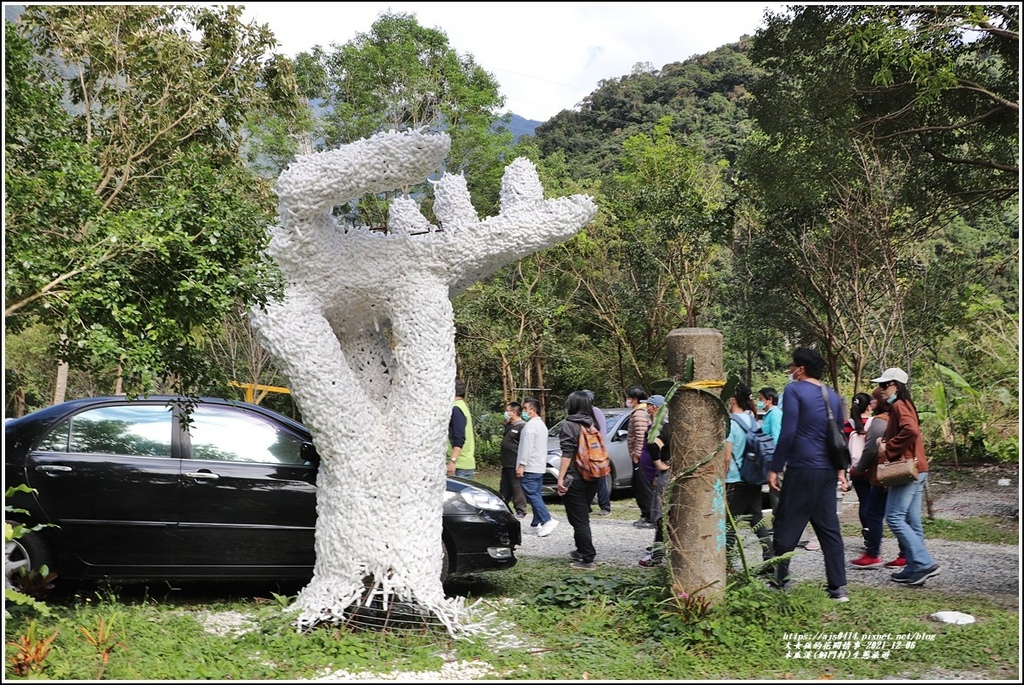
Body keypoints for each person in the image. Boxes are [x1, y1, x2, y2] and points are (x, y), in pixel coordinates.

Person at [768, 347, 850, 602]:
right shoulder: (832, 395)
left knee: (786, 521)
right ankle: (838, 588)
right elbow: (839, 435)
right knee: (828, 528)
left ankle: (779, 580)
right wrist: (840, 470)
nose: (790, 369)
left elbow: (789, 431)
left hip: (802, 467)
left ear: (801, 369)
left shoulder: (793, 390)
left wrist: (774, 466)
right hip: (826, 471)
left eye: (792, 365)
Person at [872, 367, 939, 586]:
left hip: (909, 470)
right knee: (911, 520)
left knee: (894, 517)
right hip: (918, 469)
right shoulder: (905, 405)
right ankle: (914, 568)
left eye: (884, 385)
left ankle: (923, 563)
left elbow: (911, 431)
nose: (881, 390)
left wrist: (887, 447)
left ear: (895, 386)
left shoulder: (900, 405)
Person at [848, 387, 905, 568]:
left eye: (873, 400)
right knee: (900, 514)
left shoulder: (880, 421)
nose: (871, 403)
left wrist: (859, 468)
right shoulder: (898, 416)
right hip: (898, 470)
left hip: (882, 473)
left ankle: (873, 553)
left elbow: (871, 449)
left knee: (874, 512)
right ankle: (905, 553)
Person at [725, 383, 773, 569]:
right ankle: (770, 560)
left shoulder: (731, 422)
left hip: (736, 480)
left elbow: (727, 456)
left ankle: (726, 563)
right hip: (754, 478)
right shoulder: (752, 420)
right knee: (757, 519)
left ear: (733, 400)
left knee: (730, 523)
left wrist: (721, 479)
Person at [556, 390, 602, 569]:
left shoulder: (569, 424)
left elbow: (567, 453)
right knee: (580, 516)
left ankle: (588, 558)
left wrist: (560, 478)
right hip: (594, 475)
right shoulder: (592, 423)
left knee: (579, 519)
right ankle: (581, 549)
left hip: (575, 477)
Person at [516, 397, 558, 537]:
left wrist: (521, 464)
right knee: (536, 494)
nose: (523, 411)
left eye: (525, 409)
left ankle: (547, 520)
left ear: (533, 410)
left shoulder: (530, 427)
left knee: (532, 495)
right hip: (539, 465)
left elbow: (527, 448)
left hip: (530, 466)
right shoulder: (541, 425)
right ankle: (536, 523)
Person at [639, 394, 671, 567]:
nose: (647, 408)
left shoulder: (664, 427)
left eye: (650, 405)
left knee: (661, 515)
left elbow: (653, 446)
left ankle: (657, 555)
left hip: (668, 476)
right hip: (671, 475)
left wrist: (659, 465)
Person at [625, 385, 655, 528]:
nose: (628, 400)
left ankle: (648, 516)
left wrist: (637, 454)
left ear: (635, 399)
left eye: (629, 398)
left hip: (641, 457)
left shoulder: (639, 414)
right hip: (641, 455)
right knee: (639, 485)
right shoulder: (641, 412)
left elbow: (641, 436)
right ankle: (647, 514)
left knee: (642, 487)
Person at [584, 389, 613, 517]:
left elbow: (601, 433)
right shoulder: (582, 413)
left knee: (600, 479)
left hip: (596, 452)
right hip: (585, 452)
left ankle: (605, 506)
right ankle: (586, 505)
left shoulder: (596, 412)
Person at [499, 401, 528, 519]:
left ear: (514, 412)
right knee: (504, 487)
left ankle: (521, 510)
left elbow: (524, 445)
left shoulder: (522, 426)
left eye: (508, 410)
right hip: (506, 462)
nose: (506, 413)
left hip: (515, 462)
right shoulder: (509, 425)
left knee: (517, 487)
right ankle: (502, 507)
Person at [447, 378, 476, 479]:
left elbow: (459, 438)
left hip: (459, 465)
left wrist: (452, 461)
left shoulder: (456, 409)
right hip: (464, 463)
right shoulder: (462, 406)